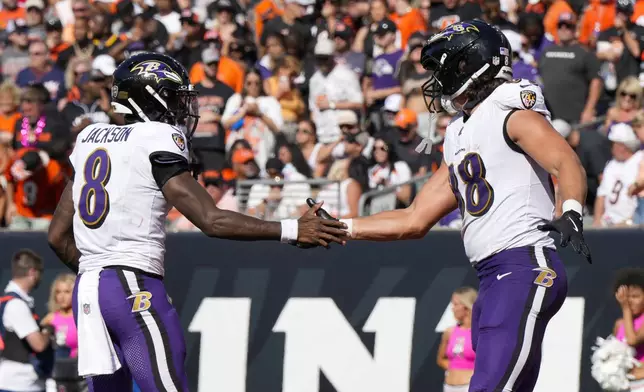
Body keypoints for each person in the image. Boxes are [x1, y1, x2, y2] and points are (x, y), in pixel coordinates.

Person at [46, 52, 347, 392]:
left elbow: (57, 236)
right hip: (132, 286)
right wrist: (292, 229)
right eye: (173, 97)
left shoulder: (89, 139)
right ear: (150, 98)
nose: (180, 108)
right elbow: (210, 219)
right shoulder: (156, 138)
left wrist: (102, 283)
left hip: (88, 293)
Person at [331, 20, 591, 392]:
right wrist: (342, 226)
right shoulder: (461, 132)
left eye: (446, 66)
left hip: (522, 266)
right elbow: (414, 218)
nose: (439, 78)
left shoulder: (510, 109)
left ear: (471, 64)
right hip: (491, 278)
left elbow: (565, 162)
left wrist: (571, 210)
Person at [0, 249, 54, 392]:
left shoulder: (13, 301)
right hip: (18, 384)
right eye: (39, 273)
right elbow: (38, 344)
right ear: (32, 272)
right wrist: (48, 331)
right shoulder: (16, 305)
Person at [437, 287, 478, 392]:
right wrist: (455, 368)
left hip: (470, 387)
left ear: (466, 307)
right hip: (449, 387)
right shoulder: (449, 332)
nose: (452, 308)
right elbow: (441, 359)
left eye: (455, 304)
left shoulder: (480, 333)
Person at [613, 268, 644, 390]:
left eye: (635, 296)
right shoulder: (619, 324)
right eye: (627, 297)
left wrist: (625, 308)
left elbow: (632, 341)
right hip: (625, 384)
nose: (630, 301)